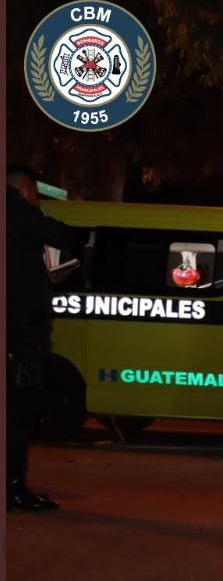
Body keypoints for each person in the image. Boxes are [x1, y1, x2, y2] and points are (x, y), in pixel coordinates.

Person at [6, 163, 73, 512]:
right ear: (24, 190)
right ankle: (12, 488)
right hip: (18, 335)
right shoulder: (17, 212)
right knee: (18, 413)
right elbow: (66, 236)